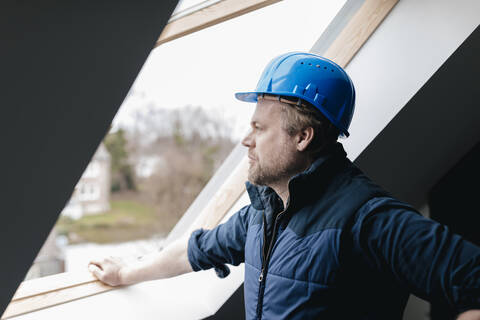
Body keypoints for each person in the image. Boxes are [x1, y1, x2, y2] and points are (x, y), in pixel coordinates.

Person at [89, 52, 480, 319]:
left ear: (303, 137)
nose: (247, 140)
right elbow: (192, 251)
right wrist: (124, 275)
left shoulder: (367, 218)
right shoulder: (262, 213)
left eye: (259, 128)